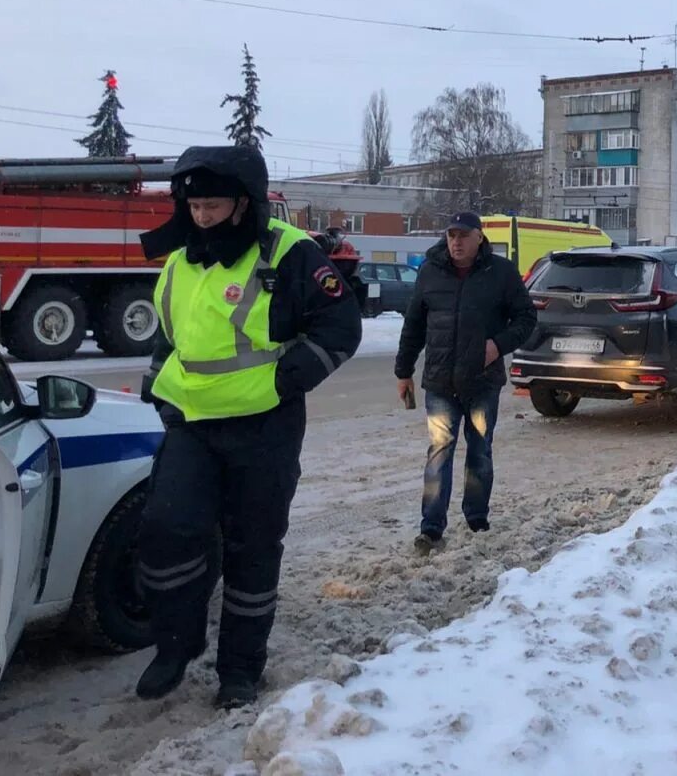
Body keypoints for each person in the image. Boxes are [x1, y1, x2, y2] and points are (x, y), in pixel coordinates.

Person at [134, 146, 362, 708]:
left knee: (252, 550)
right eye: (194, 204)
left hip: (264, 428)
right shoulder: (180, 259)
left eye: (213, 205)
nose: (202, 215)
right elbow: (167, 338)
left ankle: (239, 670)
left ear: (243, 203)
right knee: (167, 533)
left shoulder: (289, 253)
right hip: (191, 426)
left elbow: (340, 326)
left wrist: (287, 381)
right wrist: (159, 393)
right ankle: (175, 645)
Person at [394, 212, 537, 554]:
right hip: (440, 382)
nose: (456, 242)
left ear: (479, 237)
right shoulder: (430, 271)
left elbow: (526, 317)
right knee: (439, 453)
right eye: (451, 235)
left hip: (482, 382)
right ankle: (431, 528)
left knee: (479, 452)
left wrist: (498, 345)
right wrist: (403, 371)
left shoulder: (500, 272)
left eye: (463, 235)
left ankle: (476, 520)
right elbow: (413, 325)